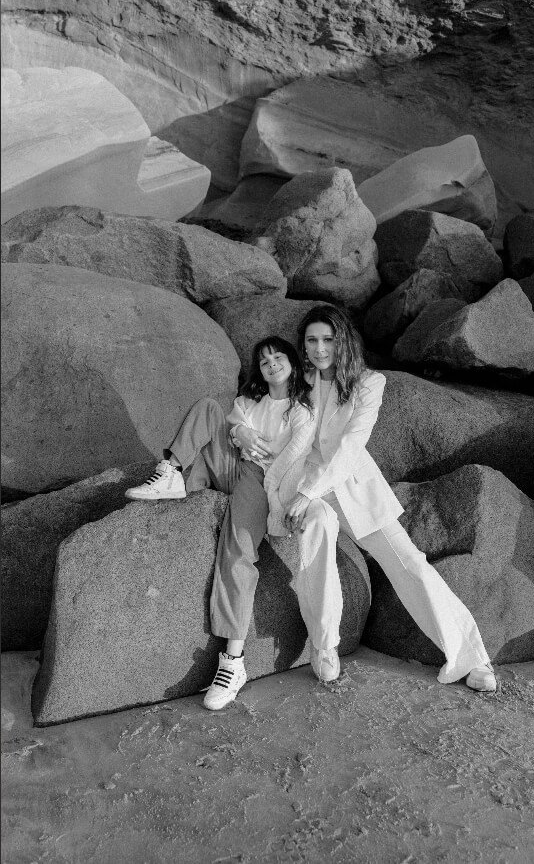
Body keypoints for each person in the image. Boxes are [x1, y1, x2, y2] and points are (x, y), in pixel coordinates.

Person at [273, 304, 497, 692]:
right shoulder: (297, 379)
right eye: (312, 340)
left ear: (342, 340)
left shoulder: (369, 383)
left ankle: (471, 658)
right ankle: (325, 649)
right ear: (303, 344)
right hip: (302, 488)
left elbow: (350, 444)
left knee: (410, 564)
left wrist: (308, 492)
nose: (320, 348)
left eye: (328, 339)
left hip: (352, 488)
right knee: (317, 551)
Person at [125, 336, 316, 709]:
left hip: (262, 480)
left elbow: (290, 459)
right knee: (209, 406)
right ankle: (172, 472)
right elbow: (230, 420)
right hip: (232, 466)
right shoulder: (249, 402)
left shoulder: (301, 412)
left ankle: (233, 662)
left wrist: (279, 500)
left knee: (236, 553)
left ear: (292, 362)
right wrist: (237, 431)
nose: (272, 364)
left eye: (278, 357)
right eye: (264, 361)